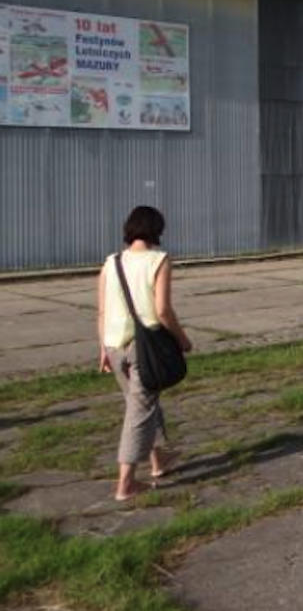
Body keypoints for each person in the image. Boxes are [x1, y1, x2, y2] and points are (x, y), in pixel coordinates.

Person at [96, 206, 192, 501]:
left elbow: (101, 310)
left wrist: (102, 348)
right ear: (157, 230)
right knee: (139, 411)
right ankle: (125, 485)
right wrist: (183, 339)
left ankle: (158, 461)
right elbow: (162, 310)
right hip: (144, 346)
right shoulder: (159, 260)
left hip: (113, 345)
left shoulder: (110, 263)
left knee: (142, 402)